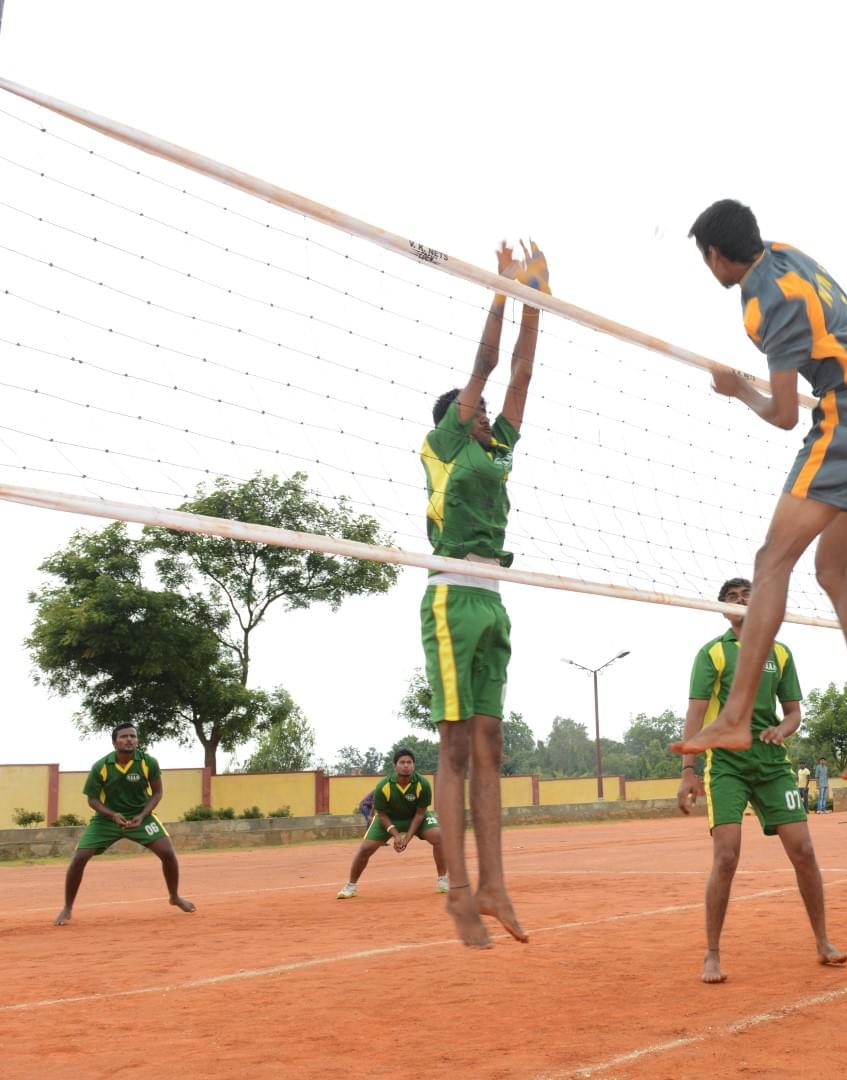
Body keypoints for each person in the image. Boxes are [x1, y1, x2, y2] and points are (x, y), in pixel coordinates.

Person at [671, 200, 847, 780]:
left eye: (706, 258)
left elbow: (781, 414)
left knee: (770, 562)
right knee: (834, 571)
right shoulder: (786, 255)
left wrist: (737, 390)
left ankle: (735, 715)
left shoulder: (763, 301)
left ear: (716, 255)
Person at [418, 239, 545, 947]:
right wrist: (501, 289)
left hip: (492, 595)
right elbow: (488, 364)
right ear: (455, 414)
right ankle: (460, 889)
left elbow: (521, 371)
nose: (485, 407)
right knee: (457, 746)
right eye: (474, 405)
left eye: (484, 407)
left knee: (491, 741)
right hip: (449, 596)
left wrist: (539, 299)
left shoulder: (495, 451)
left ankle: (496, 884)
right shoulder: (443, 445)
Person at [677, 577, 847, 983]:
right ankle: (712, 954)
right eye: (732, 599)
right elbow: (696, 714)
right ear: (723, 609)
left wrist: (782, 731)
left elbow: (792, 712)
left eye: (748, 597)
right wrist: (687, 770)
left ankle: (823, 941)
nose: (740, 602)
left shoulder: (780, 652)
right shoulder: (713, 654)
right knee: (727, 855)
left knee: (803, 849)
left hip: (772, 764)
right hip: (727, 765)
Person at [55, 722, 195, 925]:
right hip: (107, 820)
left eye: (133, 736)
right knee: (79, 858)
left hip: (142, 817)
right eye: (124, 736)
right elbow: (92, 800)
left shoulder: (148, 763)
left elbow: (157, 793)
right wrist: (112, 815)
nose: (129, 739)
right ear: (114, 742)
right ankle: (67, 908)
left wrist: (142, 814)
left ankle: (174, 896)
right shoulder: (101, 766)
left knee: (168, 853)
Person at [335, 749, 446, 899]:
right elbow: (381, 814)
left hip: (415, 817)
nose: (406, 765)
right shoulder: (384, 785)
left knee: (439, 838)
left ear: (414, 765)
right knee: (365, 849)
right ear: (395, 766)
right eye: (402, 762)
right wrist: (395, 834)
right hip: (388, 818)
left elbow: (420, 814)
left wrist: (406, 839)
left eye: (409, 762)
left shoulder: (423, 784)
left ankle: (443, 880)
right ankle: (350, 886)